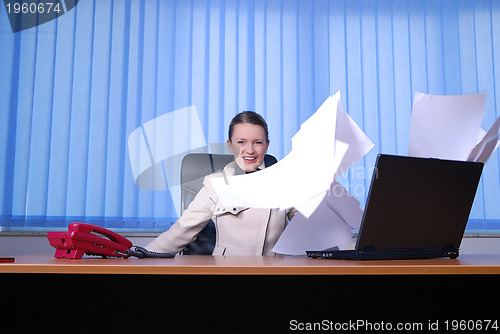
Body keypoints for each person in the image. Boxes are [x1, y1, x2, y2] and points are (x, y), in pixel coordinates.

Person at [145, 111, 296, 256]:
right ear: (230, 145)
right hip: (226, 271)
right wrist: (142, 254)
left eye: (257, 142)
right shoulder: (214, 184)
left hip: (273, 272)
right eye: (241, 142)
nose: (249, 150)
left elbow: (308, 229)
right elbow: (182, 230)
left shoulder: (285, 182)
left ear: (267, 145)